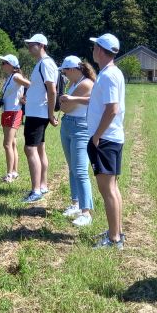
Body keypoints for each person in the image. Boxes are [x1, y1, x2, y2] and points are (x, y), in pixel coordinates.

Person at [84, 33, 126, 249]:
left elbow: (112, 109)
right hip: (112, 138)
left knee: (107, 190)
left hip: (106, 140)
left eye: (95, 47)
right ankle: (115, 231)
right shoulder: (111, 73)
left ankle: (114, 239)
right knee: (113, 188)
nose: (93, 50)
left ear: (100, 50)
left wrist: (97, 135)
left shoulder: (109, 75)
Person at [57, 55, 96, 227]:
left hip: (80, 128)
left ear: (73, 69)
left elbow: (66, 107)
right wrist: (64, 102)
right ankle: (75, 203)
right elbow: (64, 106)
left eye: (65, 71)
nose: (63, 74)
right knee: (72, 168)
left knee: (80, 170)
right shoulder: (73, 84)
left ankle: (86, 212)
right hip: (68, 125)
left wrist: (66, 101)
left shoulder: (85, 84)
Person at [21, 34, 58, 204]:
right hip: (37, 112)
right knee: (40, 149)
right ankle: (42, 186)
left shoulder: (45, 64)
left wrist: (50, 114)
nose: (29, 47)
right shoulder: (42, 64)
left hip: (38, 114)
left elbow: (52, 90)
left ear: (42, 45)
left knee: (30, 149)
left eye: (32, 44)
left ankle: (36, 190)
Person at [0, 54, 30, 183]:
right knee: (13, 143)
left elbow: (30, 85)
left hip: (13, 112)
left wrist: (25, 98)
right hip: (7, 112)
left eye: (4, 63)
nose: (2, 65)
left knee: (7, 144)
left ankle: (9, 174)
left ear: (11, 65)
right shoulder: (11, 77)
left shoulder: (16, 76)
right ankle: (14, 172)